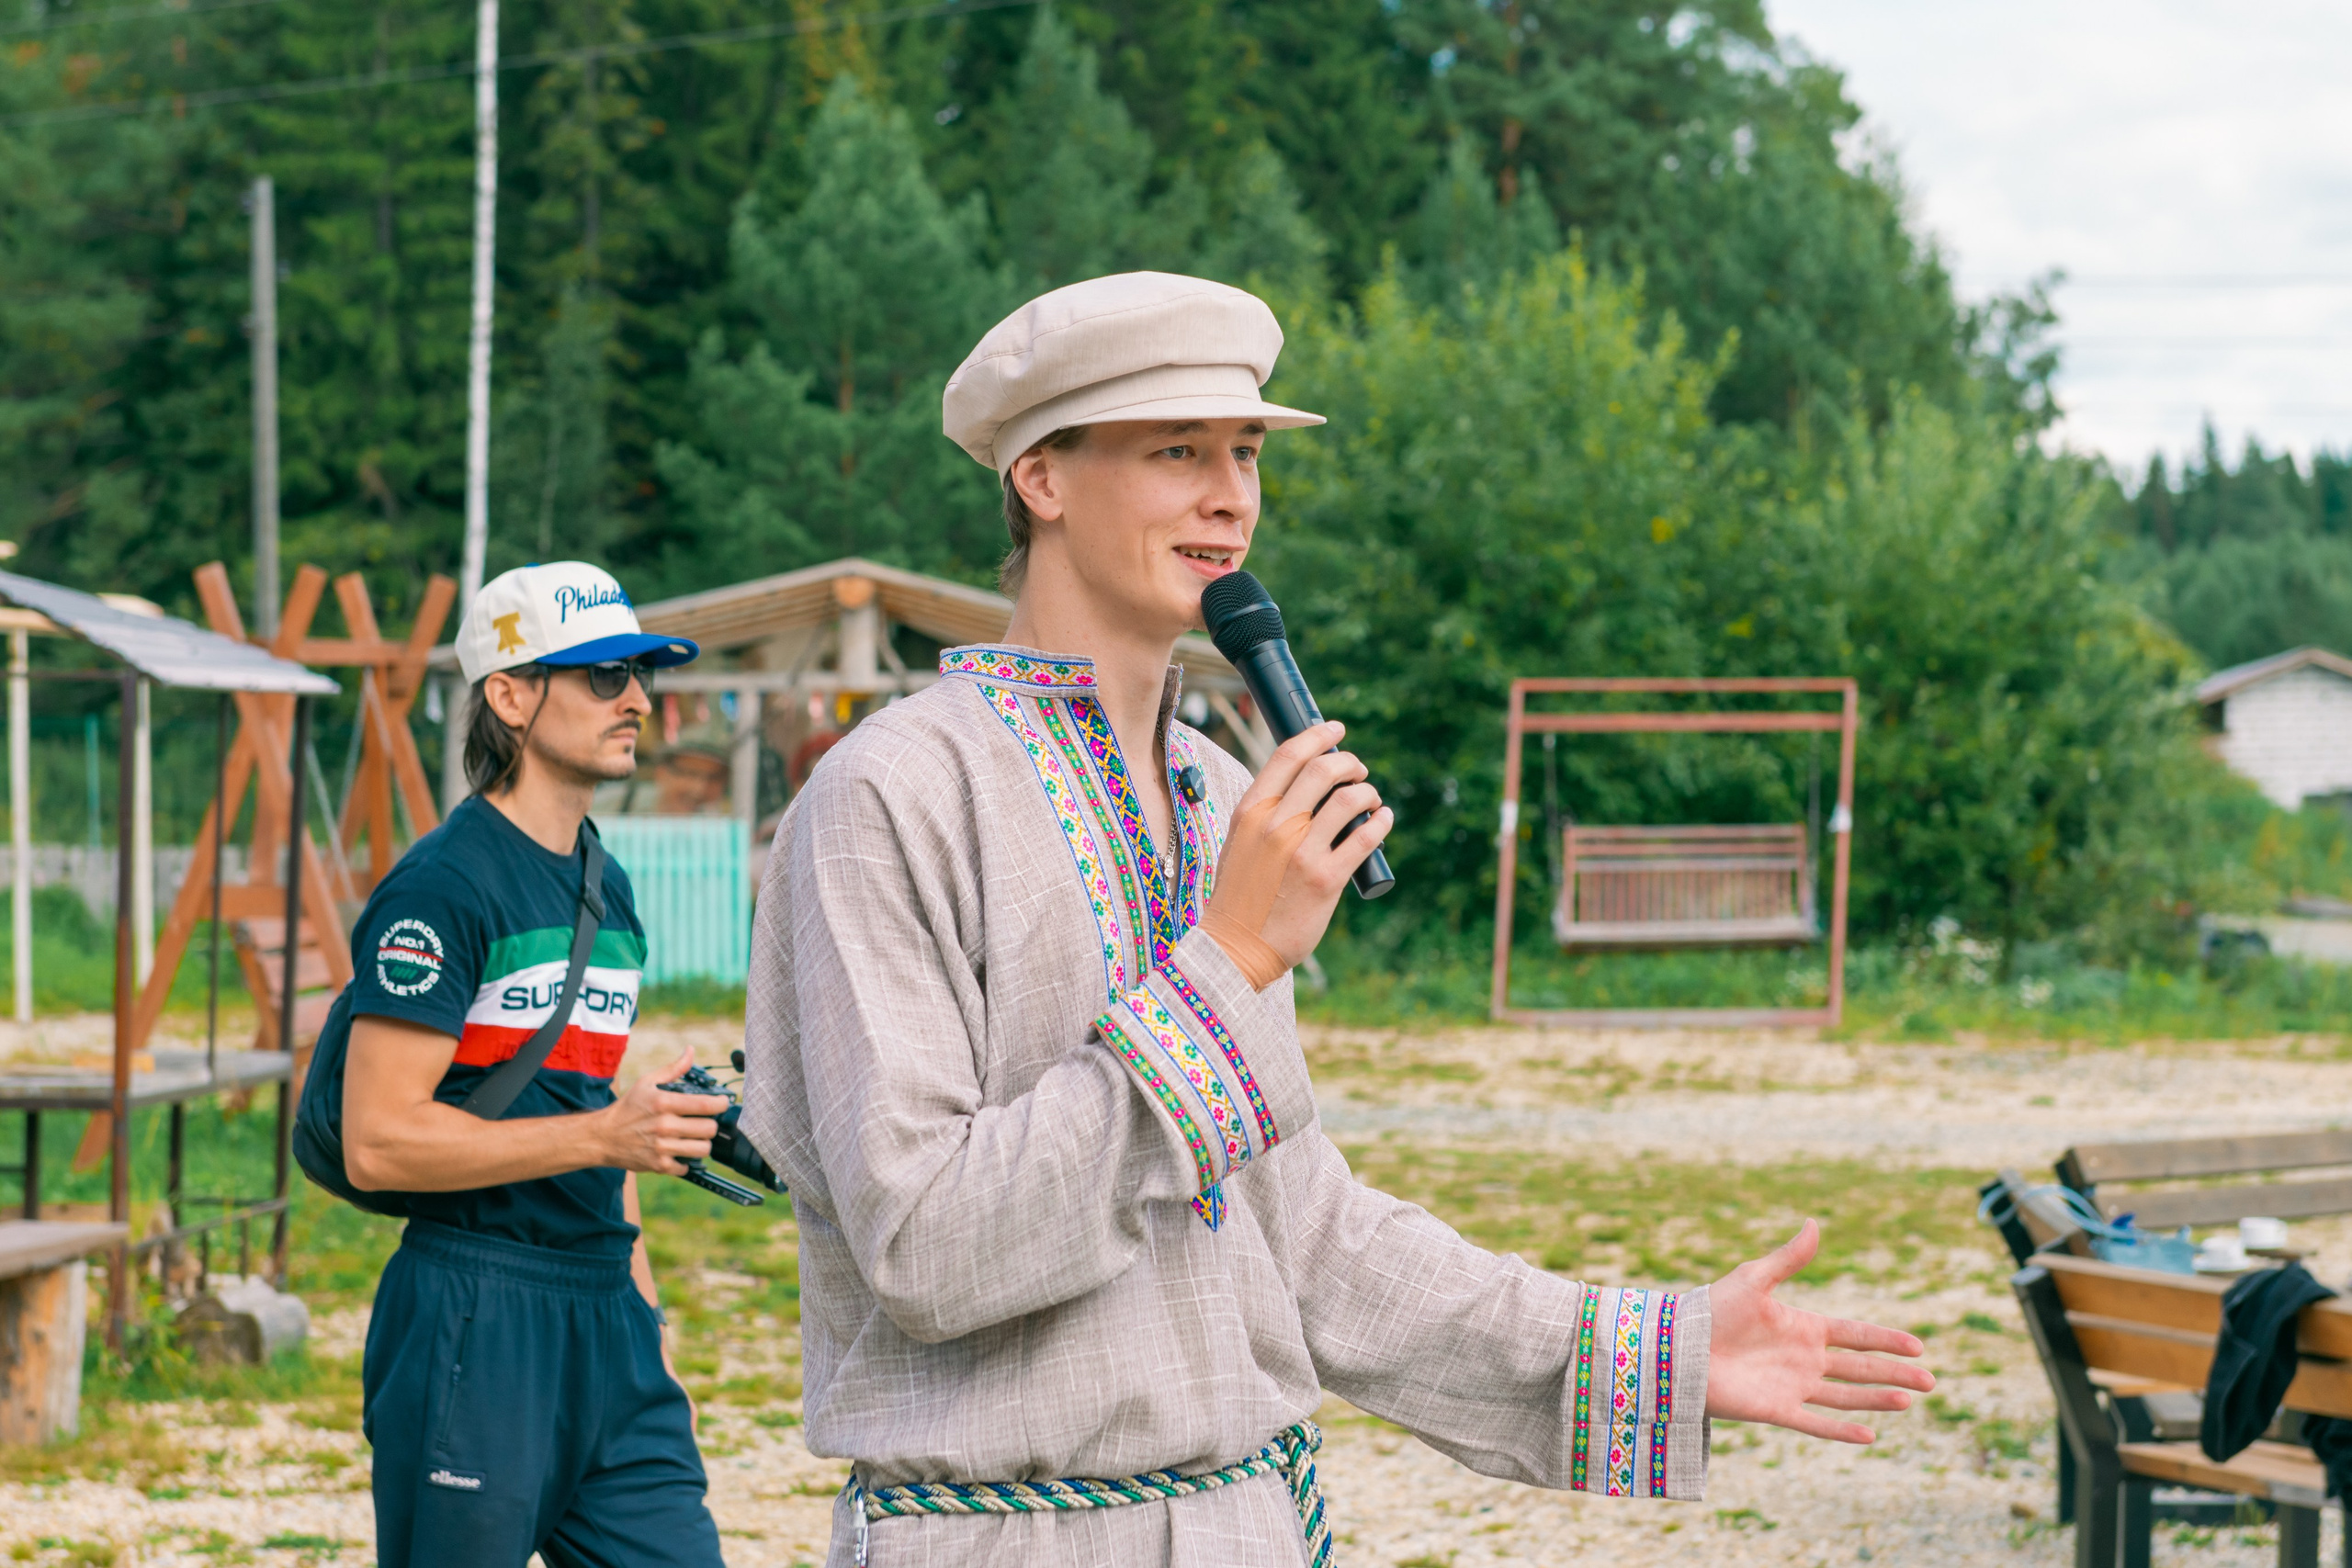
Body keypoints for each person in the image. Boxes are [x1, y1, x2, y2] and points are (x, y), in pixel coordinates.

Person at [739, 272, 1935, 1567]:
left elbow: (1304, 1236)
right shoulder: (890, 791)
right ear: (1041, 475)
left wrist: (1654, 1346)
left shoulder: (1220, 797)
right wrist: (1229, 962)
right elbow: (927, 1245)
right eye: (1176, 448)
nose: (1231, 493)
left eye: (1246, 450)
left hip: (1253, 1527)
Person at [335, 561, 729, 1568]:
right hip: (474, 1311)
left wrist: (646, 1323)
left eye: (641, 674)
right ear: (509, 695)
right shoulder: (440, 889)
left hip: (607, 1322)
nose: (637, 698)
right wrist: (607, 1135)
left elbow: (599, 1111)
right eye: (603, 675)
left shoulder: (613, 889)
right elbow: (377, 1142)